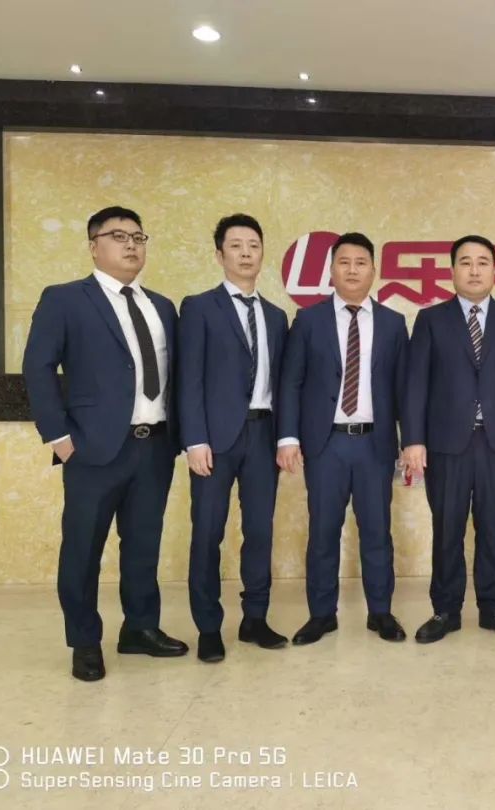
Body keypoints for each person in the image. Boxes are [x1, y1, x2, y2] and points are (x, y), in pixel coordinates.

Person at [22, 205, 187, 681]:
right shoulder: (65, 299)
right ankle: (84, 641)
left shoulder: (162, 306)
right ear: (94, 246)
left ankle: (140, 628)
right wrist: (59, 437)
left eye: (138, 236)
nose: (131, 244)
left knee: (143, 546)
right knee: (83, 548)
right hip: (92, 449)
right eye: (118, 236)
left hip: (154, 447)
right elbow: (38, 368)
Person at [402, 235, 495, 643]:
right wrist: (413, 440)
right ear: (452, 271)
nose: (475, 270)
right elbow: (416, 385)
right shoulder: (431, 319)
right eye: (465, 262)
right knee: (447, 527)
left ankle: (494, 608)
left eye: (483, 262)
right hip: (445, 444)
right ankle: (445, 610)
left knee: (493, 527)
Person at [277, 232, 409, 645]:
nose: (353, 270)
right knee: (323, 532)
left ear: (374, 271)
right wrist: (287, 437)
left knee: (377, 531)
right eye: (344, 262)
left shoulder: (393, 323)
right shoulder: (308, 320)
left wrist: (410, 441)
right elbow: (291, 382)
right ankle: (321, 615)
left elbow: (404, 388)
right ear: (331, 270)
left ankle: (381, 612)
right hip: (325, 444)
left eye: (361, 262)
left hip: (375, 444)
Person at [178, 213, 290, 663]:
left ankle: (254, 619)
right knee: (208, 532)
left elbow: (284, 384)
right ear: (219, 254)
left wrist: (286, 438)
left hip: (263, 434)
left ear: (262, 253)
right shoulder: (199, 307)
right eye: (236, 246)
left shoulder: (277, 316)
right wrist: (194, 439)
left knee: (260, 531)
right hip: (214, 440)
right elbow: (188, 379)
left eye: (253, 246)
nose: (246, 253)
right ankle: (208, 627)